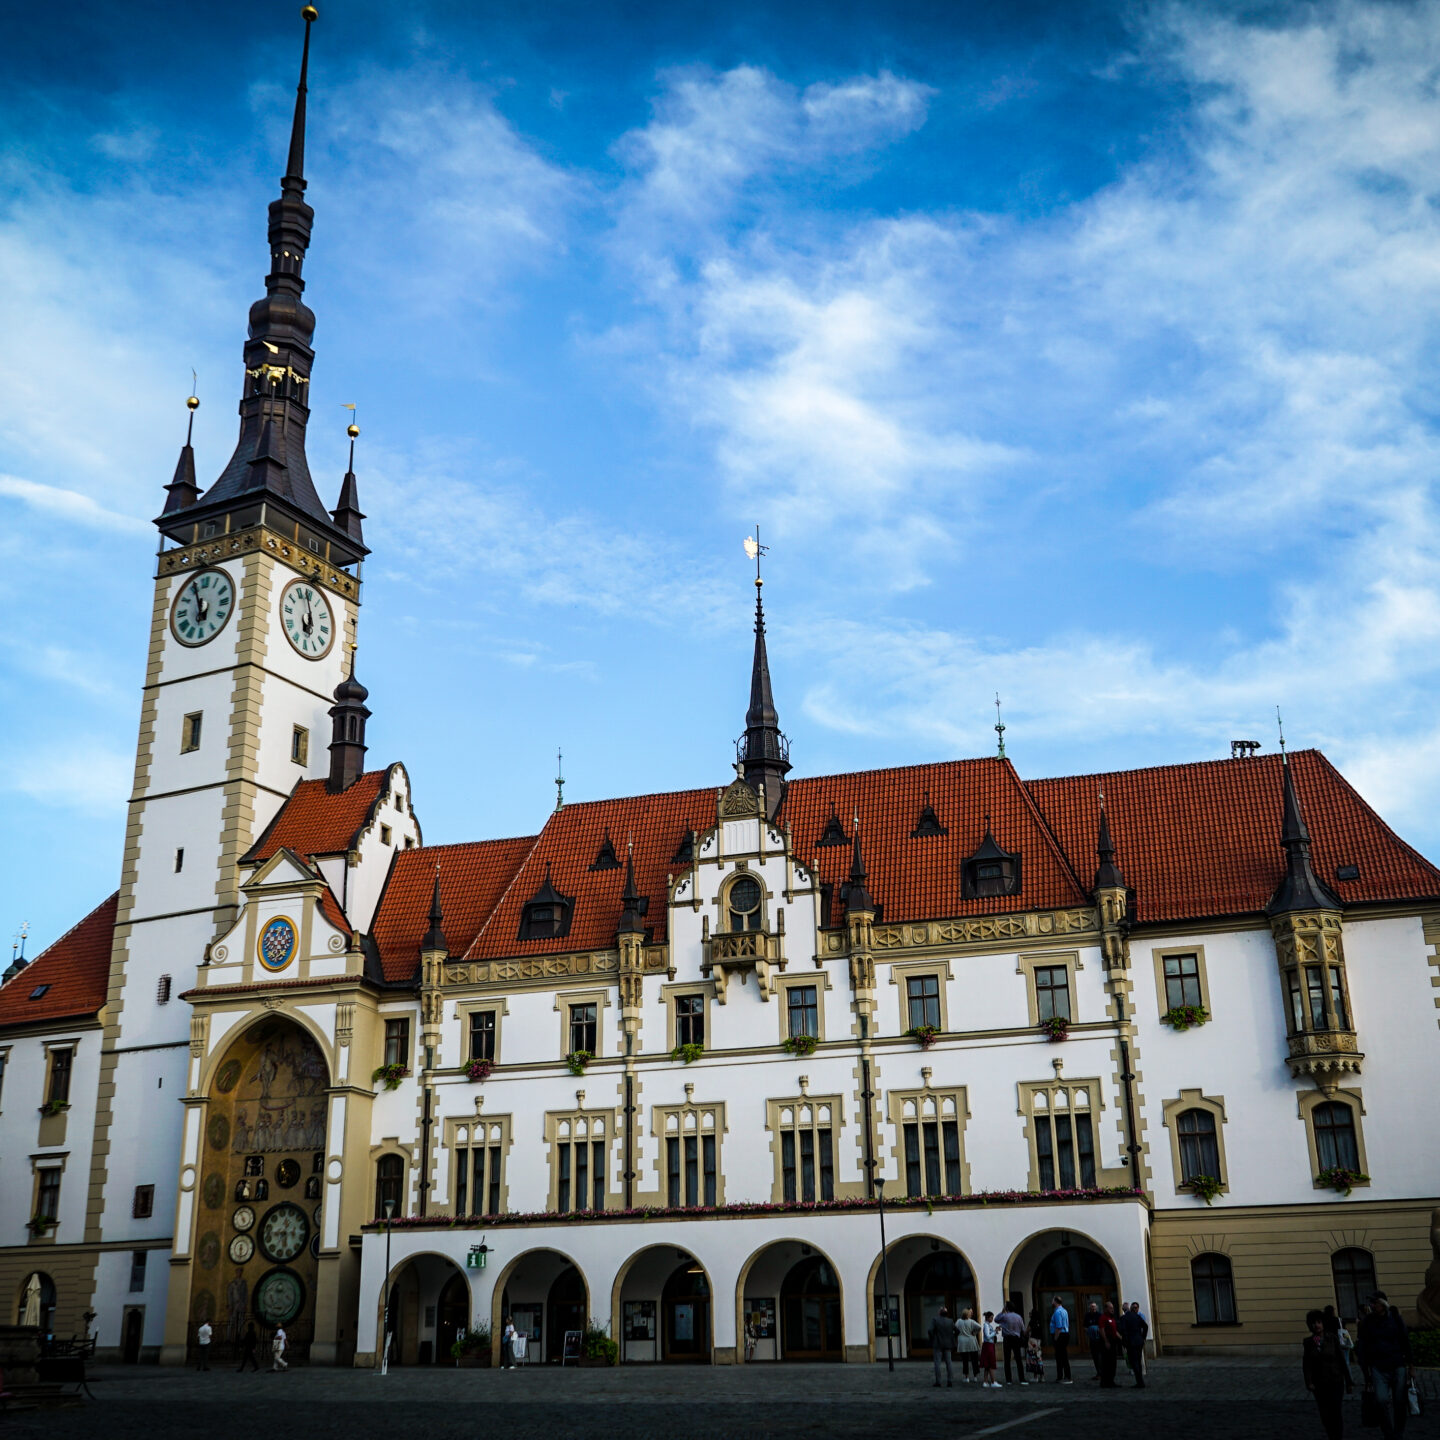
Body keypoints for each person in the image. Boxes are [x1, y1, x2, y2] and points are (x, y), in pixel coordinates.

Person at [1356, 1291, 1411, 1438]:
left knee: (1399, 1402)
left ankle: (1398, 1432)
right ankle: (1388, 1432)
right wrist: (1366, 1373)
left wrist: (1411, 1366)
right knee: (1381, 1401)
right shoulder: (1367, 1322)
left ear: (1383, 1303)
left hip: (1397, 1364)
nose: (1372, 1305)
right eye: (1371, 1303)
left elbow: (1405, 1341)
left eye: (1375, 1302)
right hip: (1378, 1367)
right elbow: (1363, 1347)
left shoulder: (1395, 1318)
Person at [1305, 1308, 1350, 1440]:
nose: (1316, 1325)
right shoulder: (1308, 1342)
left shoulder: (1332, 1339)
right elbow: (1307, 1364)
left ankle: (1337, 1436)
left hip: (1335, 1380)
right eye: (1313, 1323)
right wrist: (1309, 1382)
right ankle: (1331, 1435)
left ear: (1323, 1323)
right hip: (1319, 1383)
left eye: (1318, 1322)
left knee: (1335, 1411)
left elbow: (1342, 1360)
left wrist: (1348, 1380)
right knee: (1325, 1413)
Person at [1118, 1301, 1149, 1388]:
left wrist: (1124, 1343)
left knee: (1134, 1362)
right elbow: (1145, 1326)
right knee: (1138, 1362)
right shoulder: (1137, 1316)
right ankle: (1140, 1381)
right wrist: (1143, 1338)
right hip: (1139, 1342)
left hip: (1131, 1343)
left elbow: (1123, 1331)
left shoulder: (1124, 1318)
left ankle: (1140, 1382)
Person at [998, 1301, 1028, 1385]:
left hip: (1007, 1339)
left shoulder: (1004, 1316)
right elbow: (1022, 1328)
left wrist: (1002, 1311)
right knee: (1018, 1359)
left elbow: (996, 1319)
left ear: (1006, 1308)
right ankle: (1022, 1379)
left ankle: (1009, 1380)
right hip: (1016, 1338)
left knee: (1007, 1360)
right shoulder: (1018, 1317)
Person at [928, 1306, 958, 1388]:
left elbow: (930, 1330)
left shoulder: (935, 1320)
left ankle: (938, 1381)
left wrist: (933, 1338)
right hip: (948, 1344)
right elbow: (957, 1330)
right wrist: (952, 1337)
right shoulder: (950, 1321)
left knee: (937, 1363)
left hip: (937, 1344)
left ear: (939, 1313)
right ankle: (950, 1381)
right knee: (949, 1363)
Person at [1049, 1296, 1073, 1383]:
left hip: (1060, 1335)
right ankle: (1061, 1376)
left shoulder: (1058, 1312)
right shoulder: (1064, 1310)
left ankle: (1065, 1376)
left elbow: (1059, 1327)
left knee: (1061, 1357)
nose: (1051, 1302)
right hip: (1065, 1334)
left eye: (1052, 1301)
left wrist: (1055, 1337)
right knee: (1062, 1356)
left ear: (1055, 1302)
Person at [1097, 1301, 1121, 1388]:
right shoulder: (1103, 1318)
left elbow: (1115, 1331)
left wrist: (1121, 1338)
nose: (1112, 1310)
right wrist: (1106, 1341)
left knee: (1112, 1363)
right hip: (1107, 1342)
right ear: (1106, 1308)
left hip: (1113, 1342)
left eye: (1113, 1308)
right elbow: (1101, 1329)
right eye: (1110, 1308)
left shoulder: (1112, 1318)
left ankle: (1111, 1381)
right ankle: (1104, 1382)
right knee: (1106, 1363)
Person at [956, 1307, 981, 1383]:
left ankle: (966, 1377)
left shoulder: (959, 1321)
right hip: (971, 1341)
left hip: (962, 1342)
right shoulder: (971, 1321)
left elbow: (955, 1328)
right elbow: (979, 1327)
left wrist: (958, 1333)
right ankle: (975, 1376)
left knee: (965, 1360)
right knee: (974, 1360)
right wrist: (975, 1332)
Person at [979, 1311, 1001, 1388]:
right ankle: (993, 1381)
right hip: (988, 1345)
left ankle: (985, 1381)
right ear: (988, 1318)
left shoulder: (988, 1325)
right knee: (991, 1363)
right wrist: (995, 1332)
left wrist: (995, 1331)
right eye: (991, 1317)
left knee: (987, 1364)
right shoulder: (986, 1325)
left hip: (988, 1345)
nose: (992, 1319)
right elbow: (988, 1336)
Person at [1084, 1301, 1103, 1380]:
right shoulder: (1087, 1316)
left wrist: (1098, 1330)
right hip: (1092, 1339)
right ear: (1089, 1308)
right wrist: (1090, 1331)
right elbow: (1084, 1327)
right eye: (1092, 1306)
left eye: (1094, 1306)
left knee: (1101, 1356)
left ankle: (1103, 1372)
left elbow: (1102, 1326)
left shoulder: (1100, 1315)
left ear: (1097, 1307)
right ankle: (1099, 1373)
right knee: (1095, 1357)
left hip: (1100, 1339)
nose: (1093, 1308)